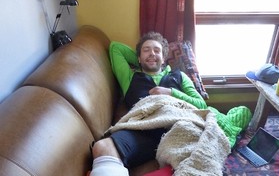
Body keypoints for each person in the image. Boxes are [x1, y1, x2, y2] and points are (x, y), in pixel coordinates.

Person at [90, 32, 252, 176]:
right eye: (146, 50)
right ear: (138, 57)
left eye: (157, 50)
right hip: (143, 129)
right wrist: (142, 59)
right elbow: (115, 47)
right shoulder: (130, 78)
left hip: (179, 125)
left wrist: (172, 93)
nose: (152, 54)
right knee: (103, 147)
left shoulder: (179, 76)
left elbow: (200, 105)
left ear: (164, 58)